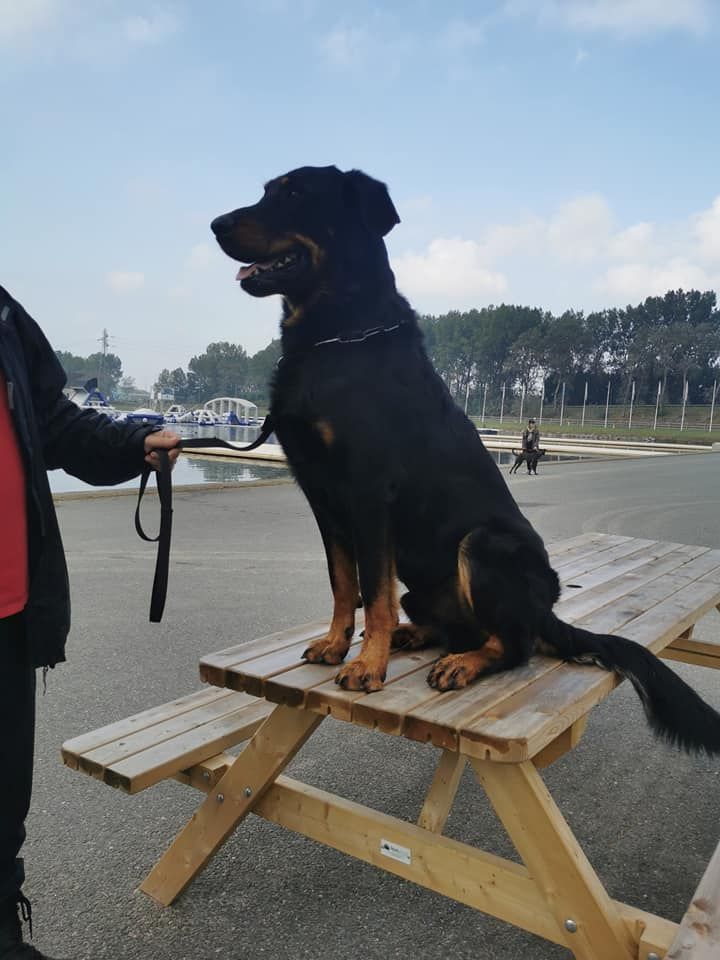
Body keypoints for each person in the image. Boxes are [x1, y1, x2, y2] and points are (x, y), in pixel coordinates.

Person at [0, 285, 180, 960]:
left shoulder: (4, 313)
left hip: (10, 609)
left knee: (1, 804)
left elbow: (53, 421)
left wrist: (135, 442)